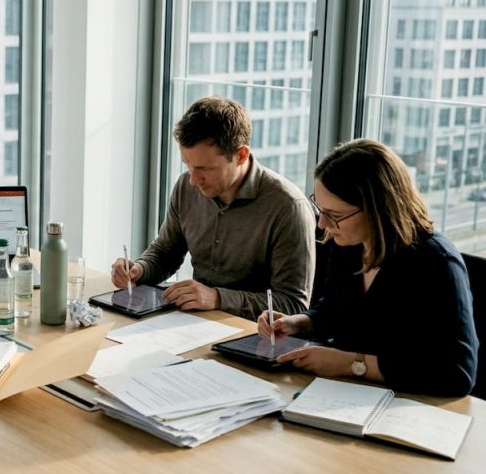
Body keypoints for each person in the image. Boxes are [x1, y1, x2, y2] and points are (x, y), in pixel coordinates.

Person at [258, 139, 478, 397]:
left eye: (335, 215)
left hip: (407, 404)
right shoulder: (349, 242)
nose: (322, 223)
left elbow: (457, 373)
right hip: (343, 394)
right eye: (321, 209)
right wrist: (299, 323)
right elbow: (336, 310)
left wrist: (352, 364)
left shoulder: (437, 263)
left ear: (378, 209)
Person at [110, 96, 316, 320]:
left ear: (241, 155)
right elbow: (165, 253)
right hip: (192, 322)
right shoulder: (186, 187)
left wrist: (218, 298)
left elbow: (293, 305)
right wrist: (139, 270)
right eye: (188, 166)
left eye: (204, 168)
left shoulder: (288, 207)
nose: (193, 180)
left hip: (252, 336)